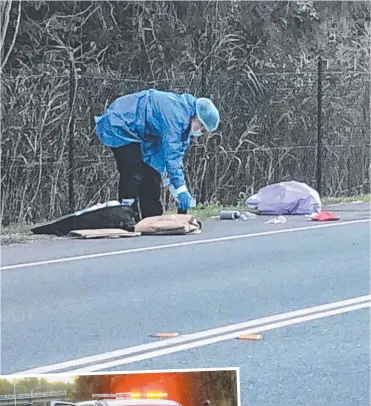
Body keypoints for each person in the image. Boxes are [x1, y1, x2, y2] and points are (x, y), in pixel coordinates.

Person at [94, 88, 220, 220]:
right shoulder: (176, 117)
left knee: (152, 172)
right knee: (132, 169)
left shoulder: (184, 123)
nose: (200, 131)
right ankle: (126, 213)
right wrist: (180, 188)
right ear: (196, 117)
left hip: (141, 132)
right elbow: (172, 155)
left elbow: (170, 161)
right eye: (202, 126)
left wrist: (176, 187)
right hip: (121, 124)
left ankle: (152, 216)